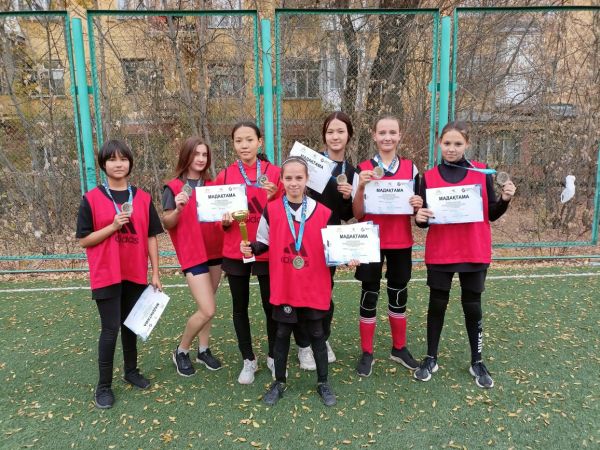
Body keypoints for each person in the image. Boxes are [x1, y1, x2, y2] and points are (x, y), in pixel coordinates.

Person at [241, 156, 357, 406]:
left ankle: (323, 382)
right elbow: (263, 242)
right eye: (289, 178)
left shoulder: (324, 212)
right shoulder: (271, 209)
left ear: (307, 179)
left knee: (317, 333)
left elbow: (333, 248)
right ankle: (279, 382)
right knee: (282, 333)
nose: (294, 183)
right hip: (285, 284)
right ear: (281, 180)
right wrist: (251, 247)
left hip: (313, 284)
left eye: (299, 178)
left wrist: (347, 257)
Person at [414, 121, 516, 388]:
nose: (451, 148)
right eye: (447, 143)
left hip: (473, 249)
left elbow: (491, 214)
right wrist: (419, 217)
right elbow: (423, 220)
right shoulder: (428, 177)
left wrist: (505, 200)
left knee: (472, 306)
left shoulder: (482, 173)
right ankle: (431, 357)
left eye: (457, 143)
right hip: (441, 251)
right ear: (439, 143)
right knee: (437, 304)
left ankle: (477, 360)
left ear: (467, 144)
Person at [77, 139, 163, 409]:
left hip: (134, 272)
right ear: (103, 164)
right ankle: (103, 386)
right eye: (112, 159)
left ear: (130, 163)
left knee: (131, 325)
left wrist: (156, 272)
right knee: (110, 328)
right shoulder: (91, 199)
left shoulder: (143, 198)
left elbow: (151, 236)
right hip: (106, 273)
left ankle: (131, 371)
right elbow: (84, 240)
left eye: (123, 159)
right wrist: (113, 226)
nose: (118, 164)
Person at [352, 115, 423, 377]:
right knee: (369, 294)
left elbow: (417, 211)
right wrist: (361, 187)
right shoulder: (363, 168)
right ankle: (367, 352)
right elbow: (357, 213)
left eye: (392, 132)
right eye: (382, 132)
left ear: (399, 135)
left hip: (400, 241)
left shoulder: (411, 169)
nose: (387, 137)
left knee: (398, 294)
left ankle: (399, 348)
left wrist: (417, 204)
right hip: (370, 241)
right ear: (374, 135)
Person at [214, 121, 282, 384]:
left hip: (266, 248)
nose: (244, 145)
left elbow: (287, 209)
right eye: (238, 140)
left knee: (270, 305)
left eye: (249, 140)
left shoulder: (275, 173)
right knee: (239, 307)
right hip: (236, 248)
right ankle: (248, 359)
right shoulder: (225, 176)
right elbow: (215, 216)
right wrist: (224, 222)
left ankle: (274, 356)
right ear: (233, 144)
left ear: (259, 142)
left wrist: (275, 196)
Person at [295, 111, 357, 371]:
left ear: (349, 135)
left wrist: (348, 197)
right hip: (303, 236)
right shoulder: (310, 164)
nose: (335, 136)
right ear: (324, 135)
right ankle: (303, 345)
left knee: (324, 293)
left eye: (340, 131)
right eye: (330, 131)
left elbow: (348, 215)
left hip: (331, 241)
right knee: (301, 293)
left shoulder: (351, 171)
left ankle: (322, 338)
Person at [162, 137, 223, 376]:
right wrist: (178, 209)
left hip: (215, 251)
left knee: (209, 304)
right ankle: (181, 350)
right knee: (207, 309)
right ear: (186, 156)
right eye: (196, 154)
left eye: (204, 155)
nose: (200, 159)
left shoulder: (213, 186)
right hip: (193, 254)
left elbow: (221, 218)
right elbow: (167, 222)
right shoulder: (173, 187)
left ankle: (203, 349)